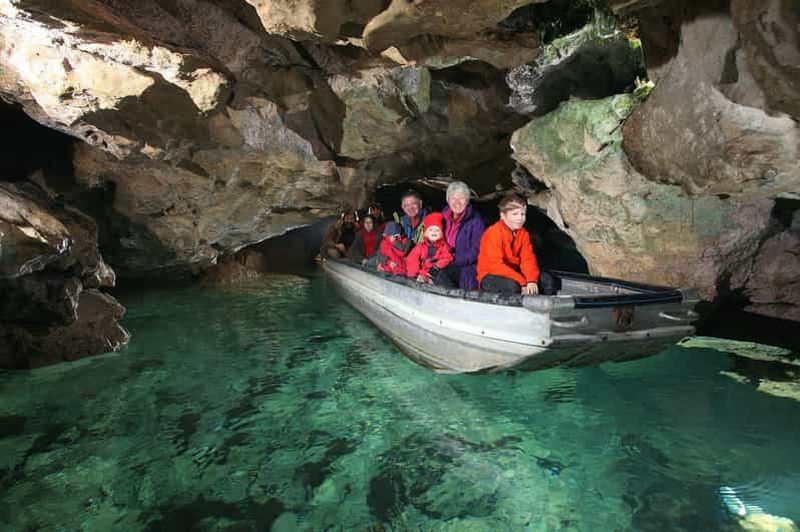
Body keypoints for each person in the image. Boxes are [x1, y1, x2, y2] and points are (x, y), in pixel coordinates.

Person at [476, 195, 540, 295]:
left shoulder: (523, 234)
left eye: (522, 214)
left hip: (513, 272)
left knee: (547, 281)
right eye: (515, 214)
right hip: (490, 274)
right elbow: (495, 266)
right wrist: (522, 281)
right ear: (503, 215)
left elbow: (528, 259)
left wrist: (531, 280)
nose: (520, 218)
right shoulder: (493, 233)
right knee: (513, 286)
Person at [435, 181, 485, 290]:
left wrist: (453, 261)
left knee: (441, 274)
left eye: (461, 198)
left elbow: (477, 249)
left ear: (467, 201)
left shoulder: (475, 220)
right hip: (444, 260)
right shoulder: (442, 217)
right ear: (448, 200)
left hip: (466, 266)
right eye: (453, 198)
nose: (457, 202)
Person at [406, 212, 453, 284]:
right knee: (419, 280)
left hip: (434, 274)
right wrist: (412, 275)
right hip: (421, 274)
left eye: (437, 230)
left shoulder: (444, 247)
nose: (434, 232)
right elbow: (412, 259)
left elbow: (448, 258)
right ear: (426, 233)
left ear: (441, 234)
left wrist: (437, 266)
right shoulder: (420, 247)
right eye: (430, 230)